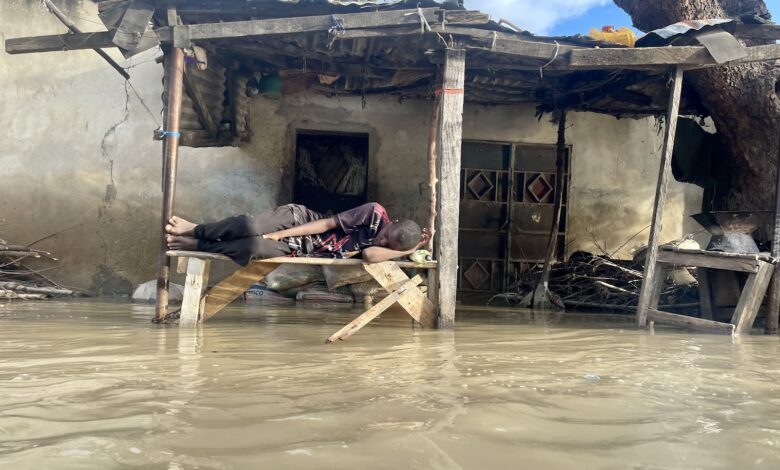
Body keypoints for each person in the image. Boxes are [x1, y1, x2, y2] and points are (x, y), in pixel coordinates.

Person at [165, 202, 432, 266]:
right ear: (392, 221)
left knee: (251, 249)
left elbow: (371, 256)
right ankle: (194, 229)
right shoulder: (374, 212)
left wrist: (407, 250)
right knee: (250, 227)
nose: (381, 239)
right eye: (386, 233)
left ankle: (198, 243)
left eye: (388, 243)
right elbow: (326, 225)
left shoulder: (384, 249)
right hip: (298, 221)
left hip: (301, 249)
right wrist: (282, 235)